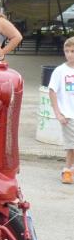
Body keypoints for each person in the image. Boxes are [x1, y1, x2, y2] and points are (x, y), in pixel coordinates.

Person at [48, 36, 74, 184]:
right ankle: (67, 170)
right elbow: (52, 91)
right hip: (68, 114)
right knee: (71, 145)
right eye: (67, 51)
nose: (69, 54)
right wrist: (58, 113)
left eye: (73, 51)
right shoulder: (60, 71)